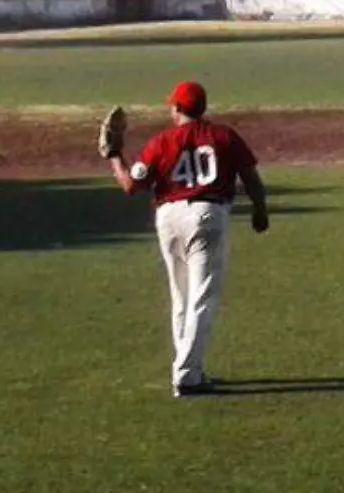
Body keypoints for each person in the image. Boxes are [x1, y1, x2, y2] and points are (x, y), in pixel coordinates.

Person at [103, 80, 270, 398]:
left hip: (168, 218)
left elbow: (130, 184)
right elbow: (251, 178)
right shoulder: (224, 136)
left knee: (181, 298)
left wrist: (113, 155)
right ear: (203, 108)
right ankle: (187, 375)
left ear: (178, 108)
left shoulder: (161, 141)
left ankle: (188, 369)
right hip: (207, 215)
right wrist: (260, 210)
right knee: (201, 298)